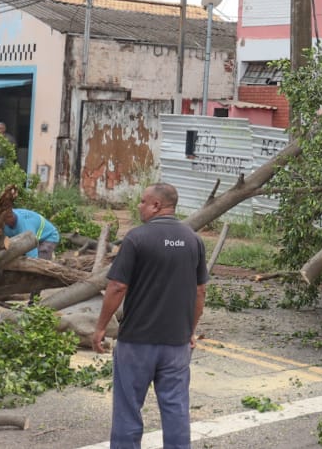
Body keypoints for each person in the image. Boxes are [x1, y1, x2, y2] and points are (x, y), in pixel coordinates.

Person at [92, 183, 207, 449]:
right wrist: (190, 330)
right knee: (176, 410)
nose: (139, 206)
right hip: (176, 344)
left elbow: (117, 286)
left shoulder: (137, 239)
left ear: (157, 205)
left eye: (143, 202)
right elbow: (200, 292)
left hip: (137, 342)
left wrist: (100, 328)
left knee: (128, 410)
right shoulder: (193, 239)